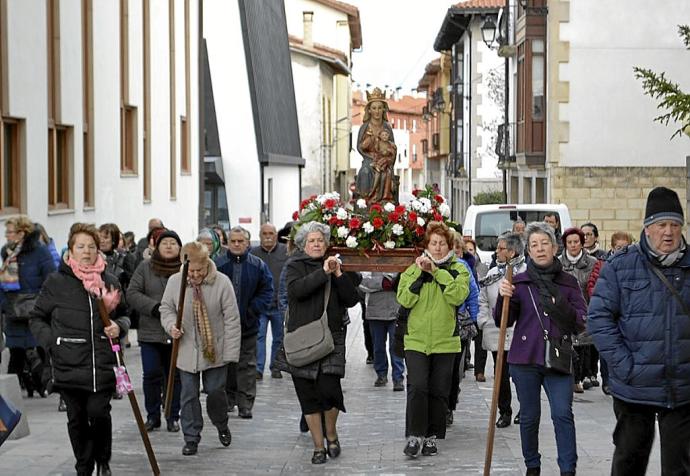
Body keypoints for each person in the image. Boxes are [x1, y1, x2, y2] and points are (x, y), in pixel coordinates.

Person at [588, 187, 690, 476]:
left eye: (674, 225)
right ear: (647, 229)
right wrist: (624, 365)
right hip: (634, 387)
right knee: (629, 462)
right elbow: (599, 318)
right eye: (661, 225)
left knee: (679, 468)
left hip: (682, 386)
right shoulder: (621, 266)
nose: (668, 232)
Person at [30, 223, 130, 476]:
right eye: (80, 247)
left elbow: (127, 316)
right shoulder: (56, 281)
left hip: (102, 363)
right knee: (76, 418)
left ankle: (103, 459)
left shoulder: (109, 280)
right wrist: (52, 341)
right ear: (71, 250)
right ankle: (83, 466)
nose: (86, 252)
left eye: (91, 247)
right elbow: (37, 317)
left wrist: (119, 326)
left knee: (98, 412)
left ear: (99, 249)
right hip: (68, 363)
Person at [496, 221, 586, 476]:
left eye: (544, 243)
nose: (540, 249)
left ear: (555, 247)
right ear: (528, 251)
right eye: (534, 244)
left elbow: (581, 320)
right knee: (529, 417)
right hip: (524, 360)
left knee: (562, 414)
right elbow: (503, 320)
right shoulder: (519, 281)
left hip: (558, 358)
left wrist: (560, 304)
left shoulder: (568, 283)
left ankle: (568, 469)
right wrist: (505, 296)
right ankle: (532, 466)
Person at [273, 221, 360, 464]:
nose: (316, 244)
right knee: (308, 395)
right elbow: (297, 291)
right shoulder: (295, 266)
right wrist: (322, 273)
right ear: (303, 244)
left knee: (331, 392)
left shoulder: (336, 265)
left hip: (331, 339)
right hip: (302, 338)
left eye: (320, 240)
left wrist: (338, 274)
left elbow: (352, 299)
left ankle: (331, 433)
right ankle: (318, 446)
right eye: (312, 240)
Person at [160, 241, 241, 456]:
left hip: (215, 349)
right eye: (191, 270)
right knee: (188, 395)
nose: (195, 275)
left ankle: (221, 423)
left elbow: (232, 319)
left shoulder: (222, 283)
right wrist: (171, 326)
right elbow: (166, 308)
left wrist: (231, 354)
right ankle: (191, 437)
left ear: (207, 265)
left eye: (199, 270)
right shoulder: (175, 282)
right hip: (186, 349)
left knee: (215, 392)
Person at [397, 221, 470, 458]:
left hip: (445, 340)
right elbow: (404, 299)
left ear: (449, 246)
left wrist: (436, 273)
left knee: (439, 391)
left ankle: (430, 436)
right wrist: (420, 275)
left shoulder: (459, 269)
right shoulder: (413, 268)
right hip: (416, 339)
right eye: (433, 243)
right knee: (417, 386)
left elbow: (458, 295)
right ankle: (414, 436)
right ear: (427, 245)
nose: (437, 248)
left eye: (442, 244)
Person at [127, 230, 183, 432]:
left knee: (174, 376)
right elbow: (132, 293)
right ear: (157, 247)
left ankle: (172, 415)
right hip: (150, 331)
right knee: (151, 374)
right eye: (164, 243)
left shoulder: (185, 269)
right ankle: (152, 415)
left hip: (177, 332)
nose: (169, 246)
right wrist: (154, 307)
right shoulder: (145, 267)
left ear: (179, 247)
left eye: (173, 243)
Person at [215, 226, 273, 419]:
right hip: (223, 327)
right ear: (228, 243)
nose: (237, 244)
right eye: (233, 241)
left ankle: (246, 403)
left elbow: (267, 290)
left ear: (248, 243)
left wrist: (253, 310)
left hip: (249, 325)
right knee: (227, 364)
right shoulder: (219, 265)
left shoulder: (258, 265)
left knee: (247, 365)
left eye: (241, 241)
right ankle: (228, 400)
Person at [1, 215, 56, 397]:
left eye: (9, 232)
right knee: (16, 352)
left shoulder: (40, 252)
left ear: (21, 233)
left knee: (40, 348)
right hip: (14, 311)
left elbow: (50, 279)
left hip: (34, 310)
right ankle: (10, 394)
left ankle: (45, 384)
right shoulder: (7, 253)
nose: (6, 236)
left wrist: (43, 305)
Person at [478, 232, 526, 428]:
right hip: (496, 330)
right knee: (500, 375)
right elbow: (482, 298)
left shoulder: (524, 273)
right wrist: (483, 320)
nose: (496, 251)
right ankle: (504, 411)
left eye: (500, 248)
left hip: (519, 333)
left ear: (512, 252)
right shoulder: (492, 273)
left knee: (521, 375)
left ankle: (526, 408)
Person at [586, 230, 633, 396]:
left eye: (625, 247)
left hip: (627, 313)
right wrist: (602, 300)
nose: (621, 250)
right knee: (607, 348)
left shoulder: (634, 264)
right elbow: (593, 284)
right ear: (612, 247)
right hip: (609, 311)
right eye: (618, 247)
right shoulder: (602, 263)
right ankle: (607, 381)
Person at [559, 227, 598, 393]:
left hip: (586, 309)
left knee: (583, 346)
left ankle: (581, 377)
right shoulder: (558, 262)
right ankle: (572, 379)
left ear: (582, 244)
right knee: (568, 346)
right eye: (570, 242)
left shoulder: (593, 263)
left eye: (576, 242)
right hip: (564, 310)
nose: (573, 245)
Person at [446, 233, 478, 426]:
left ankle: (449, 406)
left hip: (461, 325)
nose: (454, 252)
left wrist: (474, 319)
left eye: (457, 249)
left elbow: (473, 294)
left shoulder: (464, 267)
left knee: (454, 372)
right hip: (441, 325)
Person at [250, 223, 289, 379]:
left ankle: (276, 366)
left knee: (279, 338)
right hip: (260, 305)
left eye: (271, 233)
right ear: (259, 236)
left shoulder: (285, 252)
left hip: (279, 304)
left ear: (276, 235)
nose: (268, 236)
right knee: (259, 336)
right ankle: (258, 369)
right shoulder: (253, 253)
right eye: (264, 233)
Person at [360, 272, 404, 390]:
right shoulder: (369, 260)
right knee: (378, 347)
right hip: (375, 312)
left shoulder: (399, 257)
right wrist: (382, 283)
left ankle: (398, 378)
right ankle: (381, 374)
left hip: (396, 310)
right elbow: (362, 282)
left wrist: (395, 281)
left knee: (395, 346)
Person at [355, 87, 395, 200]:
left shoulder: (387, 127)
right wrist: (369, 155)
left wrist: (388, 156)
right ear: (369, 110)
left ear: (383, 110)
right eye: (374, 108)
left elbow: (392, 146)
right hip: (369, 160)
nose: (377, 111)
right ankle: (366, 200)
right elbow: (359, 146)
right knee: (365, 172)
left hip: (384, 160)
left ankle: (383, 200)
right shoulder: (365, 127)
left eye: (379, 108)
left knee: (385, 173)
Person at [463, 238, 488, 382]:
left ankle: (480, 370)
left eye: (471, 250)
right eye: (466, 250)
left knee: (480, 340)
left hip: (478, 307)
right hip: (465, 309)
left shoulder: (482, 267)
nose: (469, 253)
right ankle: (465, 361)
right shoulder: (462, 265)